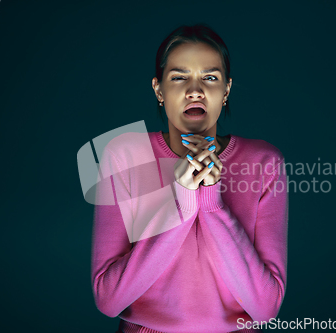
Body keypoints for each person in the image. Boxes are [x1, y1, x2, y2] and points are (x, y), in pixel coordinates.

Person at [91, 24, 288, 333]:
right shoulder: (123, 156)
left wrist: (212, 204)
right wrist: (181, 201)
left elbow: (265, 308)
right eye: (179, 77)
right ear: (158, 89)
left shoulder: (264, 162)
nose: (194, 90)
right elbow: (108, 300)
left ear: (226, 90)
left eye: (210, 78)